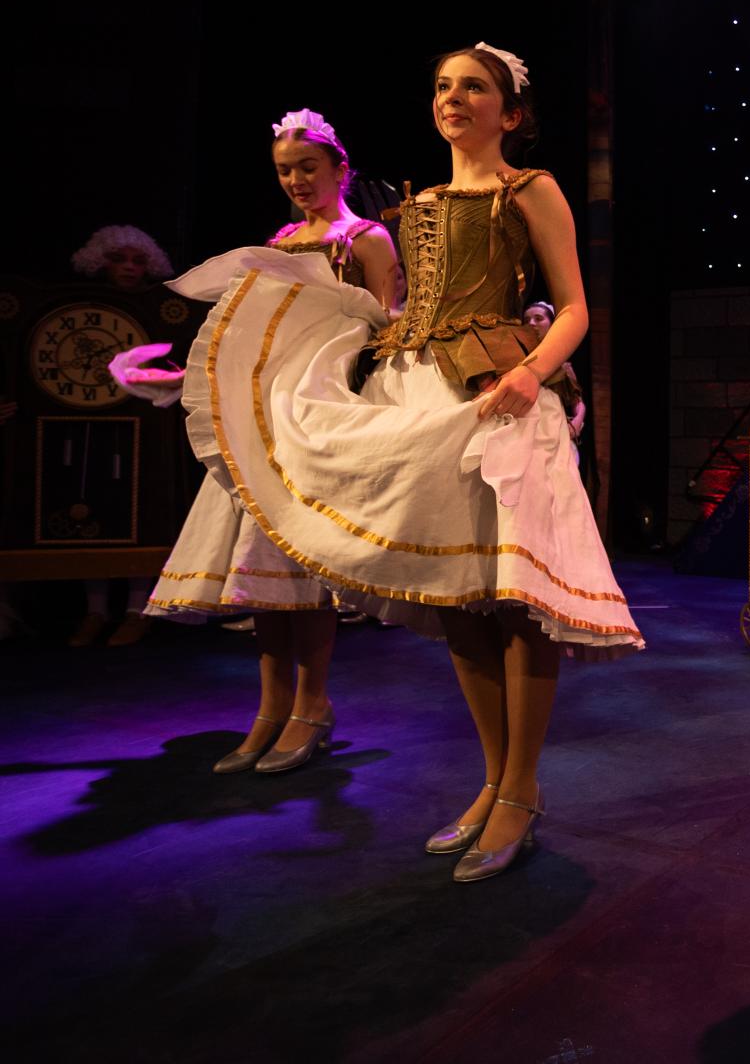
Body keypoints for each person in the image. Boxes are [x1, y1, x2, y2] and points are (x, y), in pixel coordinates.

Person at [170, 44, 643, 880]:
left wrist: (533, 372)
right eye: (443, 86)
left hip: (498, 393)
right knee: (456, 596)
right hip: (419, 395)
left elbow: (574, 306)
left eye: (474, 87)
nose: (454, 97)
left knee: (515, 598)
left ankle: (521, 789)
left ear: (510, 112)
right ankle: (492, 781)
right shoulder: (416, 205)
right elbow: (399, 313)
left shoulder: (528, 188)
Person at [144, 110, 397, 774]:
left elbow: (390, 332)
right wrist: (181, 377)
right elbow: (248, 332)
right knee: (262, 570)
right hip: (259, 415)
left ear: (341, 169)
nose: (296, 180)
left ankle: (311, 705)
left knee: (304, 568)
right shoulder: (280, 241)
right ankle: (270, 707)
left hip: (317, 412)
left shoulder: (366, 239)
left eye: (308, 167)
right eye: (285, 171)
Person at [67, 226, 179, 647]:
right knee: (91, 511)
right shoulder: (75, 305)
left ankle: (137, 610)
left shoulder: (160, 309)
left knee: (142, 513)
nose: (130, 268)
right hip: (90, 423)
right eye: (119, 259)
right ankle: (96, 610)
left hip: (145, 421)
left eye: (138, 261)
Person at [524, 300, 587, 438]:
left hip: (553, 430)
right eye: (526, 320)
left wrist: (577, 422)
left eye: (538, 318)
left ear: (552, 325)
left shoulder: (561, 365)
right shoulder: (517, 358)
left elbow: (577, 402)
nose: (531, 323)